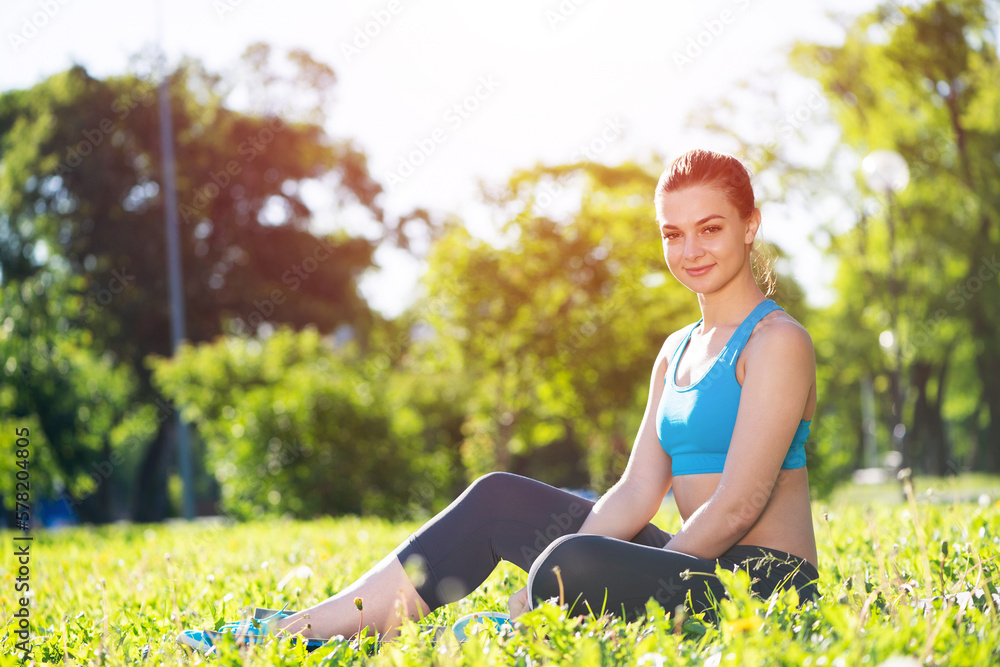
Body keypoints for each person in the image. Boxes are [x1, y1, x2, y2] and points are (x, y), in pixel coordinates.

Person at [177, 148, 819, 652]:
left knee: (575, 563)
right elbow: (633, 493)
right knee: (498, 498)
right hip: (684, 571)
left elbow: (737, 506)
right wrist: (590, 568)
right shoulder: (677, 349)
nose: (690, 250)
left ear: (750, 224)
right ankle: (307, 630)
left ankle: (531, 621)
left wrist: (607, 574)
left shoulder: (776, 341)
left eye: (710, 229)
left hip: (759, 589)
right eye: (672, 234)